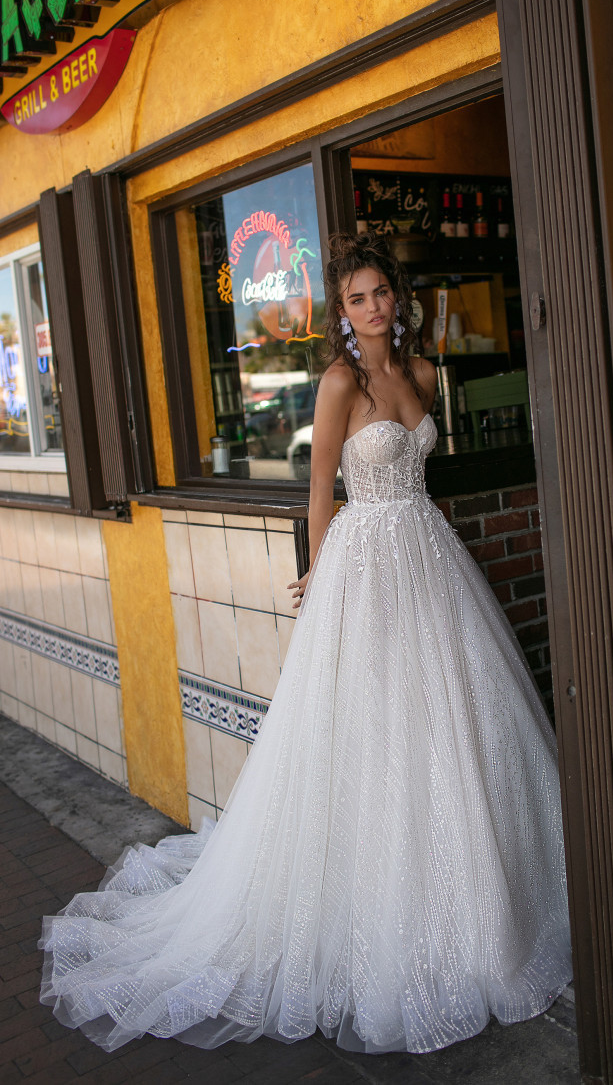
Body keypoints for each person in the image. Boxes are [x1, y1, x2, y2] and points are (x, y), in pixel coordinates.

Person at [38, 231, 573, 1056]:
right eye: (356, 299)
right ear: (343, 312)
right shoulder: (338, 383)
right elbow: (319, 493)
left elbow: (416, 476)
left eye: (380, 294)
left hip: (428, 557)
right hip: (366, 566)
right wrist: (321, 578)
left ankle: (480, 904)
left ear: (398, 298)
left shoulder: (425, 375)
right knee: (374, 725)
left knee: (450, 724)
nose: (371, 309)